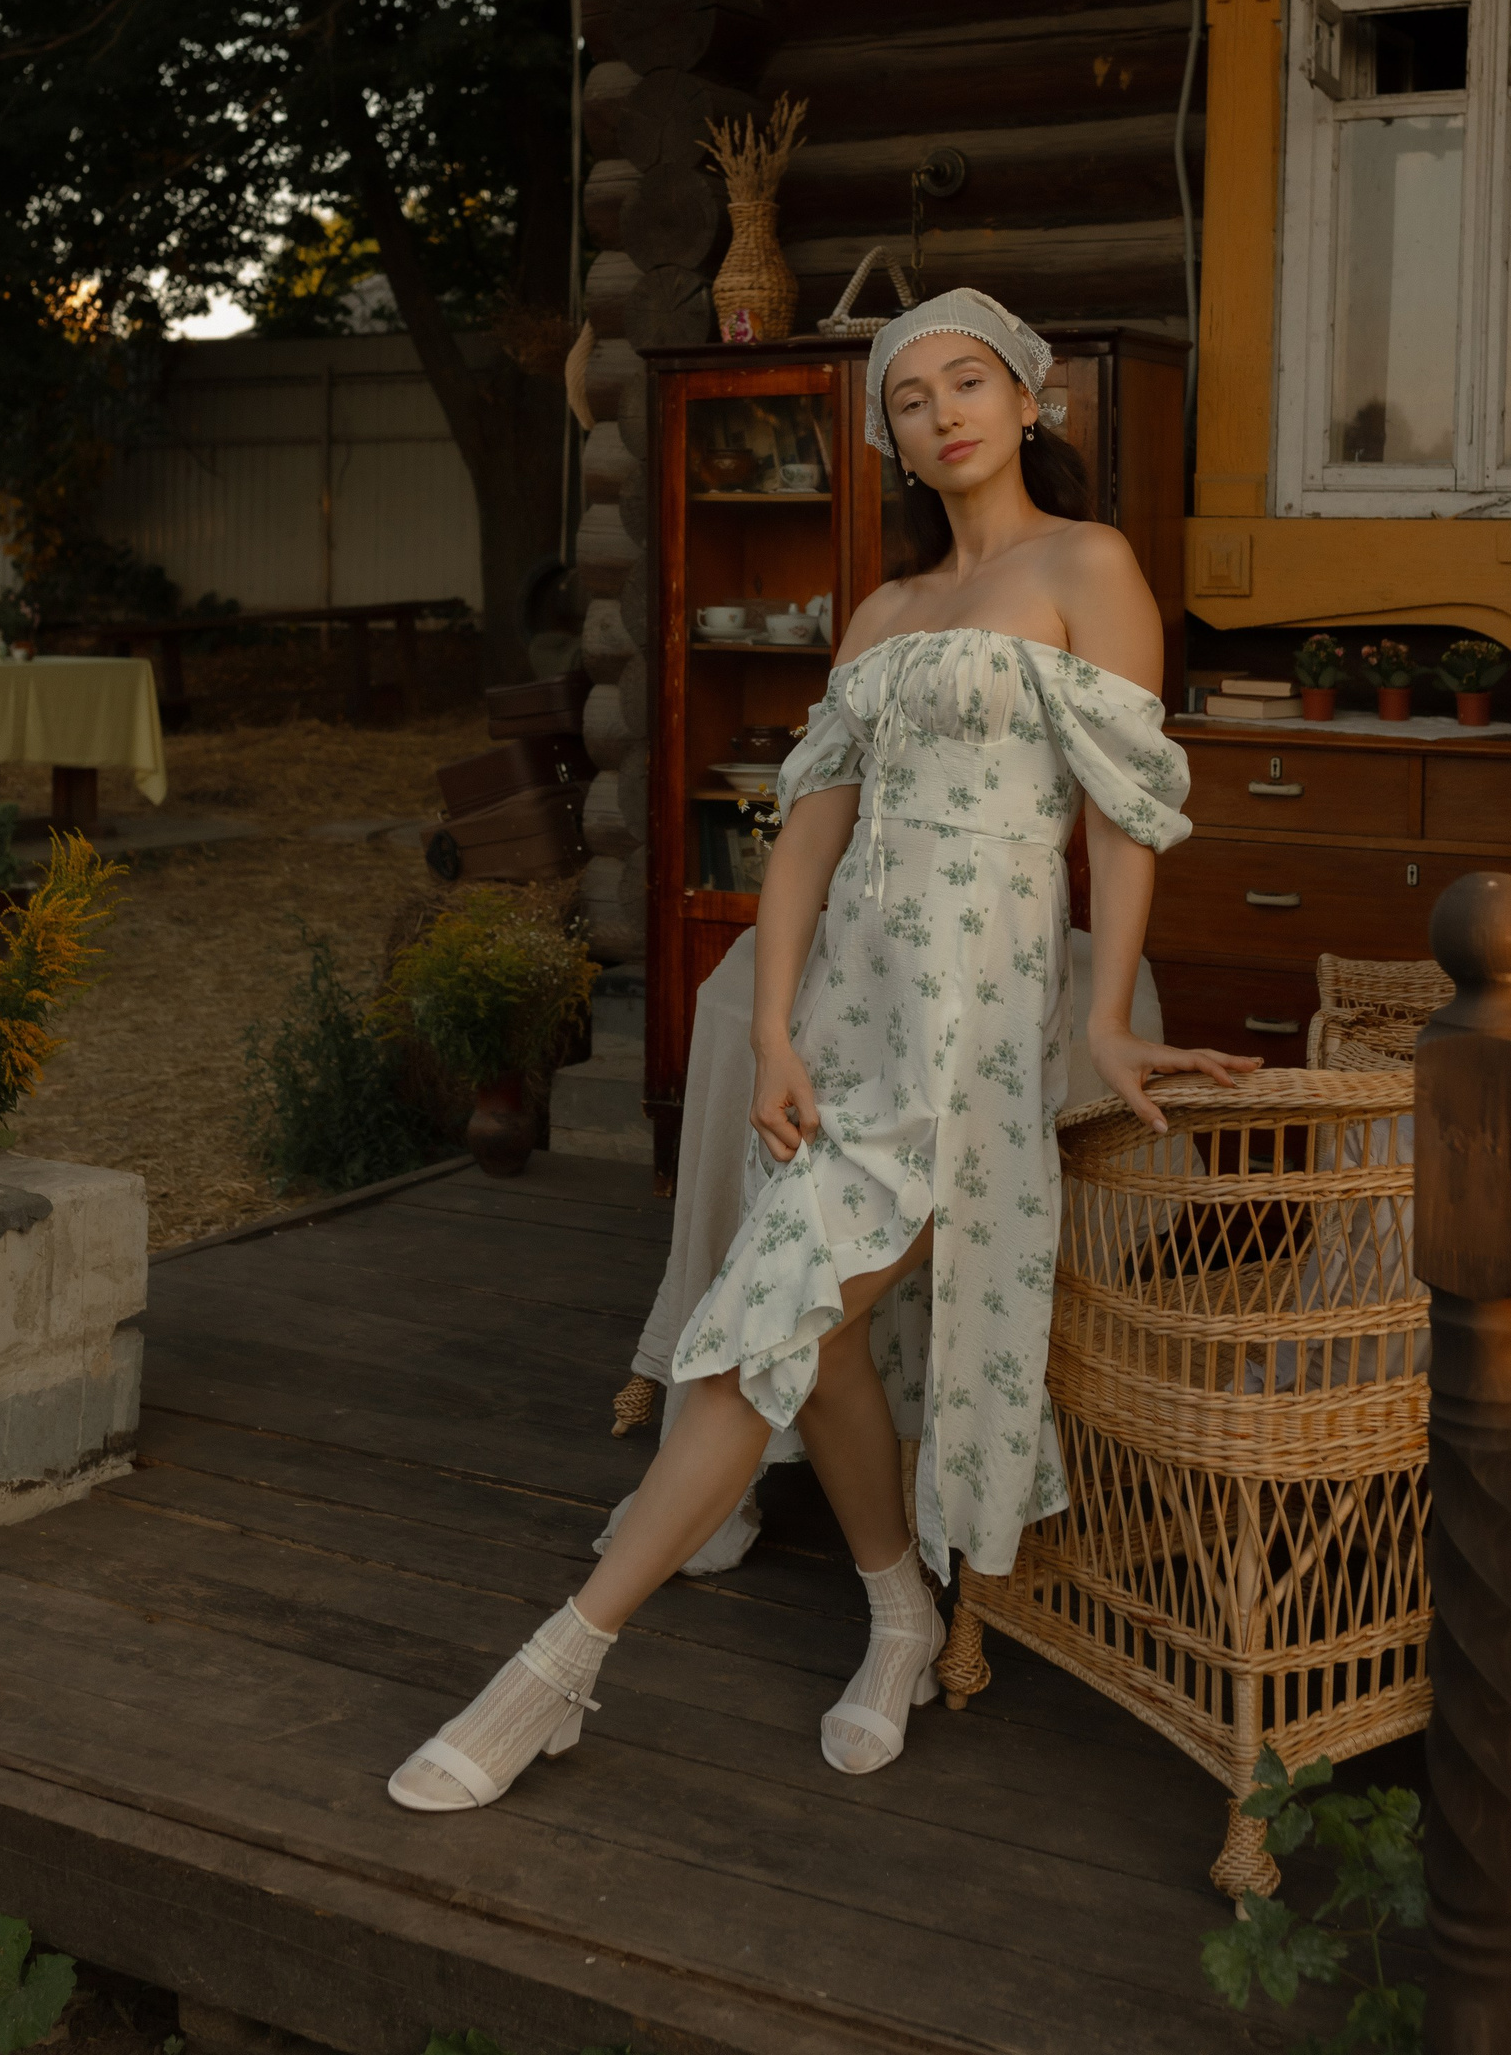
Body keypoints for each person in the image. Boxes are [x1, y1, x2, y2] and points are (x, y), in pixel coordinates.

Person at [388, 289, 1258, 1813]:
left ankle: (556, 1671)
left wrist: (1107, 1013)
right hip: (851, 1019)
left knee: (763, 1324)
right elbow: (803, 837)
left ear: (1028, 400)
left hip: (973, 1032)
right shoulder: (883, 613)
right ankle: (898, 1611)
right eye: (911, 398)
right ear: (891, 439)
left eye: (968, 381)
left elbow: (1126, 819)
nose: (944, 413)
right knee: (823, 1334)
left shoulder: (1089, 567)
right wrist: (775, 1028)